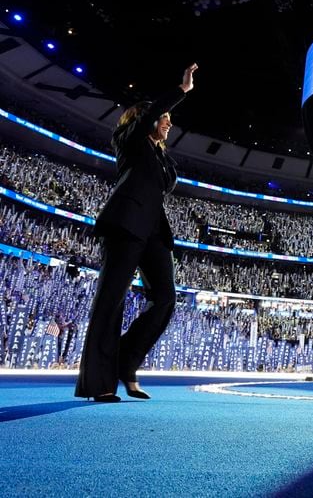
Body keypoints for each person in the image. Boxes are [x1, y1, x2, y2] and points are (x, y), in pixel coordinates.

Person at [75, 63, 198, 402]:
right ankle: (99, 382)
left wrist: (161, 147)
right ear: (144, 120)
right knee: (111, 300)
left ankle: (126, 362)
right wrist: (181, 91)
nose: (169, 123)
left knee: (166, 299)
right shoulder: (128, 140)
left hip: (155, 231)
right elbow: (152, 115)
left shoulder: (159, 155)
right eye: (165, 119)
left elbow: (169, 182)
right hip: (125, 223)